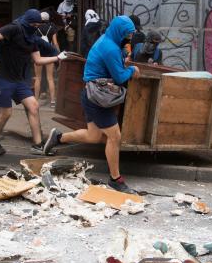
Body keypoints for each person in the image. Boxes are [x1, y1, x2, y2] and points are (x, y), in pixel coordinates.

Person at [43, 16, 140, 193]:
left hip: (91, 94)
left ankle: (58, 138)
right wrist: (132, 69)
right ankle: (115, 179)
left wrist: (124, 57)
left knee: (93, 136)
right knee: (115, 137)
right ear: (120, 32)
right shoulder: (110, 47)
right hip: (98, 97)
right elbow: (120, 77)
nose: (130, 38)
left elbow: (114, 63)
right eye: (129, 34)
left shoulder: (108, 39)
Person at [0, 9, 67, 155]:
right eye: (34, 25)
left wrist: (58, 58)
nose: (36, 27)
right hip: (1, 76)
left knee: (33, 106)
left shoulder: (31, 37)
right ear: (28, 22)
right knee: (6, 113)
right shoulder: (14, 28)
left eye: (38, 25)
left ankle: (37, 145)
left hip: (18, 79)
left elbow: (38, 60)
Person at [33, 15, 60, 108]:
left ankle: (35, 100)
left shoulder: (36, 28)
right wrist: (58, 54)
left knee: (38, 78)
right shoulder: (52, 28)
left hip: (38, 54)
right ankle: (52, 101)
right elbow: (55, 42)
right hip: (50, 55)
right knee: (50, 78)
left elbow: (33, 42)